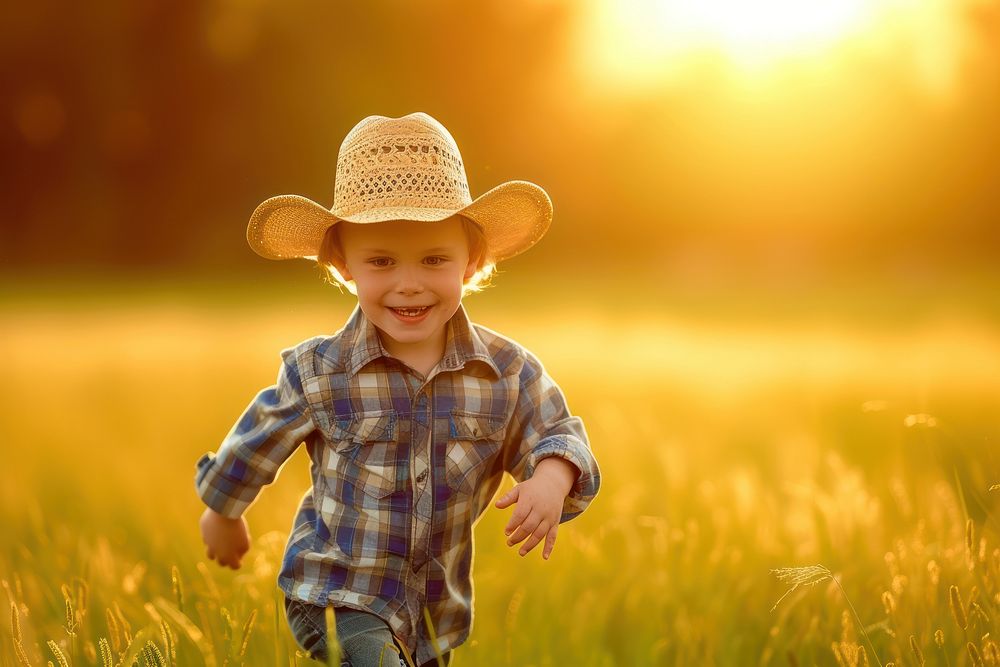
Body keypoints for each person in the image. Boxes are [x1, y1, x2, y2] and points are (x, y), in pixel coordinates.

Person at [195, 112, 601, 666]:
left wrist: (552, 480)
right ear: (344, 266)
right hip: (336, 593)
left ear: (472, 261)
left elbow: (556, 432)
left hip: (434, 616)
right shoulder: (321, 370)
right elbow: (257, 438)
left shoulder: (507, 373)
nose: (408, 283)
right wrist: (222, 511)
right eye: (381, 261)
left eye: (434, 259)